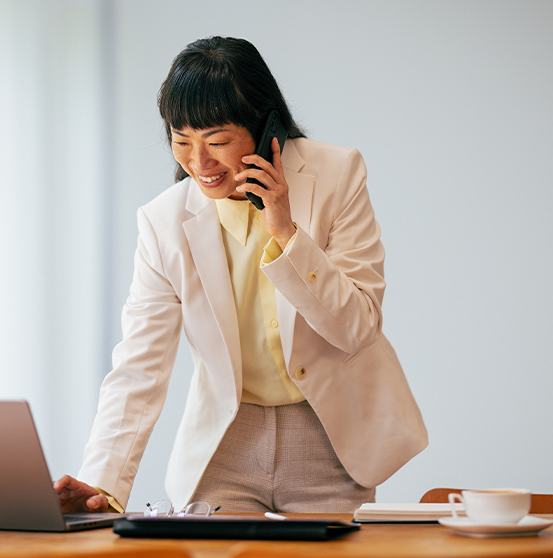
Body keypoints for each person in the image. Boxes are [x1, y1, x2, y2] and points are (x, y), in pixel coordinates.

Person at [55, 36, 426, 514]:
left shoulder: (338, 174)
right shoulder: (163, 221)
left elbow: (356, 328)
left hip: (329, 435)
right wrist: (102, 485)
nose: (199, 163)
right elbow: (138, 366)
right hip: (225, 442)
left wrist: (286, 231)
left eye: (218, 141)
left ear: (264, 124)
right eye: (182, 140)